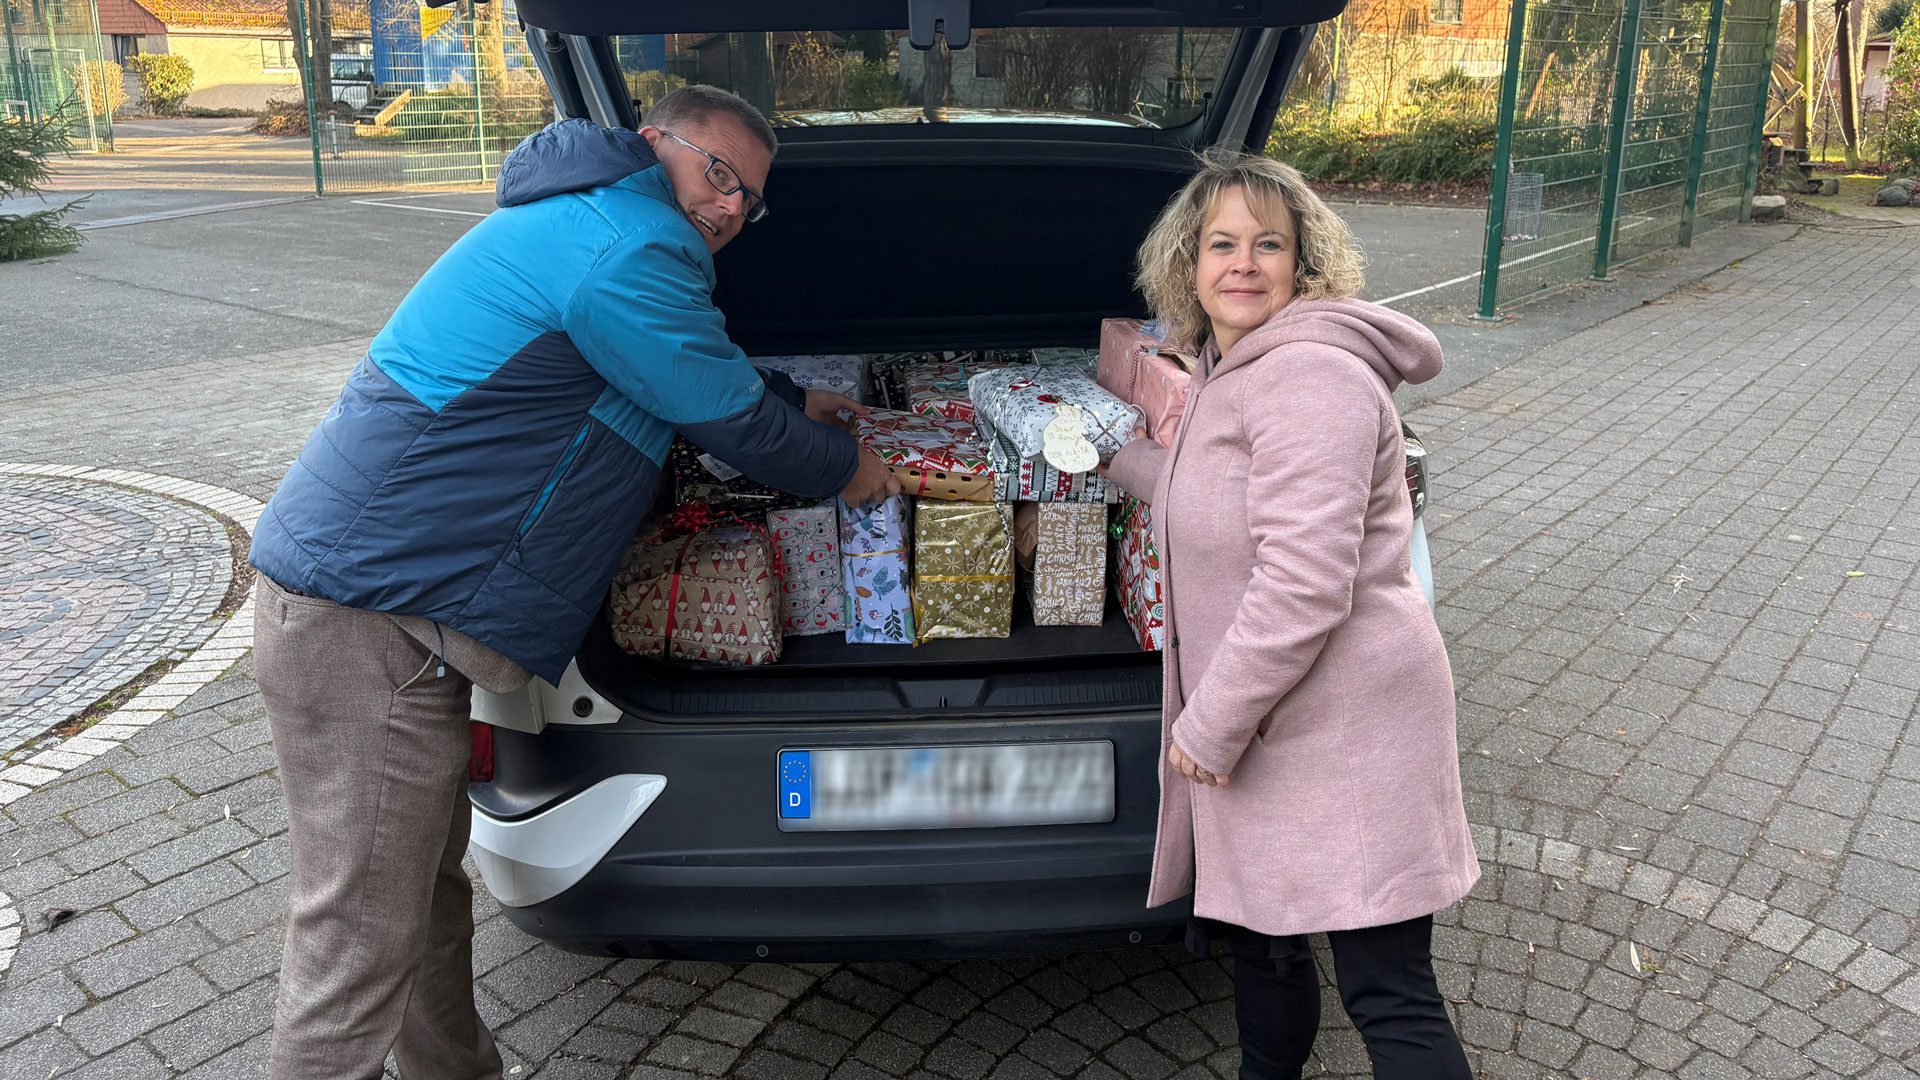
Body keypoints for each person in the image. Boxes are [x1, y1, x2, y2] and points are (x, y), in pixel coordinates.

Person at [246, 86, 898, 1080]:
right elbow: (720, 414)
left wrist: (796, 395)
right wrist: (852, 470)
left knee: (417, 898)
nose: (728, 209)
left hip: (364, 601)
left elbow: (671, 363)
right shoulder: (632, 240)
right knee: (356, 941)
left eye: (748, 199)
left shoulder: (597, 223)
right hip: (373, 617)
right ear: (654, 143)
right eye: (718, 174)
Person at [1104, 148, 1480, 1079]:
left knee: (1386, 990)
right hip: (1277, 723)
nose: (1242, 263)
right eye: (1220, 243)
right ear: (1186, 263)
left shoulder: (1312, 375)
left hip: (1342, 726)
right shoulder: (1234, 366)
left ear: (1303, 264)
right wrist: (1108, 461)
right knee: (1262, 944)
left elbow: (1305, 578)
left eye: (1267, 245)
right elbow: (1220, 488)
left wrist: (1212, 723)